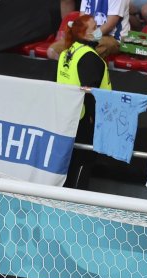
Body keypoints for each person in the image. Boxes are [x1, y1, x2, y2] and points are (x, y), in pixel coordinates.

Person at [57, 13, 112, 191]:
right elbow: (90, 93)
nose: (98, 30)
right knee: (83, 161)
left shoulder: (67, 53)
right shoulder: (90, 57)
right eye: (94, 28)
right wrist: (93, 120)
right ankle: (76, 199)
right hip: (83, 119)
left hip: (65, 115)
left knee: (68, 161)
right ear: (85, 34)